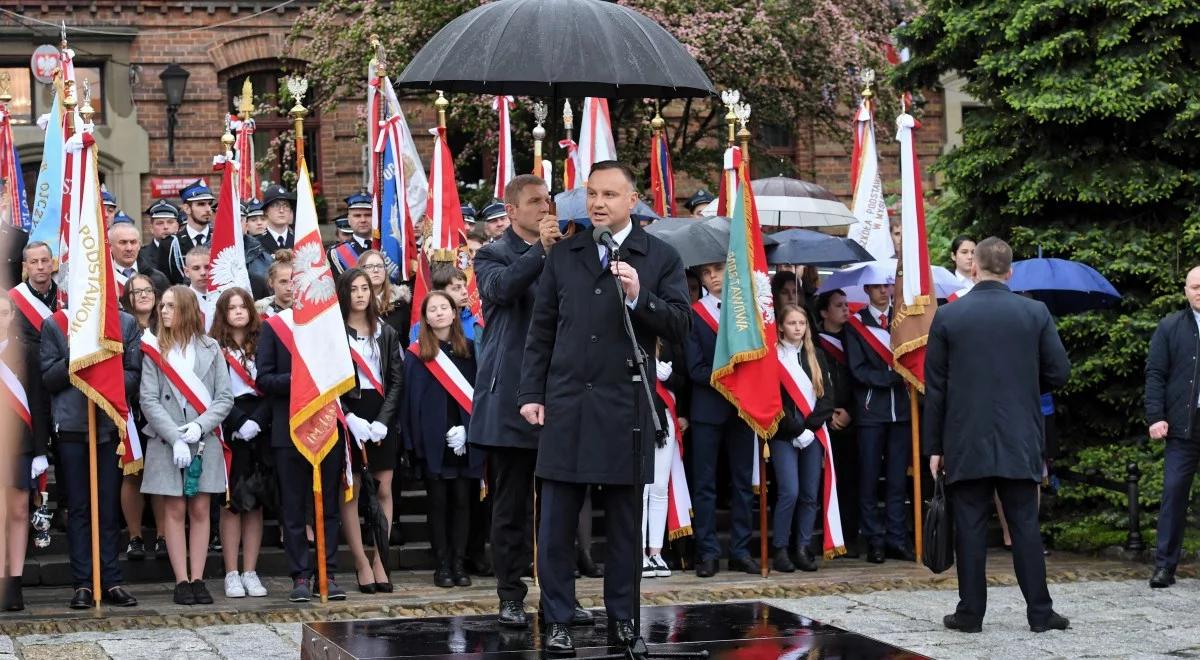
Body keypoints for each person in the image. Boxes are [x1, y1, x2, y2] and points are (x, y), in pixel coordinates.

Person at [519, 161, 690, 653]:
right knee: (555, 524)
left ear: (631, 200)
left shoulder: (658, 256)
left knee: (622, 527)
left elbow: (682, 325)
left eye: (610, 195)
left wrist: (641, 296)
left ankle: (624, 623)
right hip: (567, 404)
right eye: (592, 193)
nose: (598, 203)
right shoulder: (566, 253)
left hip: (624, 407)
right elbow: (542, 330)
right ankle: (556, 619)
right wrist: (531, 394)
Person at [925, 237, 1071, 634]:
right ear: (1010, 272)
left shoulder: (949, 316)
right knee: (1024, 525)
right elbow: (1060, 373)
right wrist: (1024, 379)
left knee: (969, 528)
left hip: (964, 437)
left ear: (974, 268)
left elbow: (934, 387)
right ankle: (1040, 613)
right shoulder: (1034, 312)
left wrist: (934, 447)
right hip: (1019, 434)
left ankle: (970, 614)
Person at [470, 174, 560, 627]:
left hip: (558, 392)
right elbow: (501, 290)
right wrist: (539, 252)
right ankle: (510, 594)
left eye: (548, 199)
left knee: (560, 505)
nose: (545, 207)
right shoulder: (491, 254)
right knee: (511, 508)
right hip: (509, 398)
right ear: (512, 210)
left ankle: (558, 597)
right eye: (534, 201)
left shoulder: (564, 250)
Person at [41, 300, 142, 609]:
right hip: (72, 427)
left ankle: (110, 579)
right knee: (80, 508)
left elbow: (133, 376)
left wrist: (104, 376)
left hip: (109, 428)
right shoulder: (55, 324)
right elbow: (49, 378)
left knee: (108, 509)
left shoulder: (123, 323)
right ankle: (83, 582)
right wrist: (79, 351)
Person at [139, 286, 234, 606]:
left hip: (203, 441)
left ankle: (198, 578)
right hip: (167, 442)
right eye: (161, 306)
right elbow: (148, 399)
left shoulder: (211, 348)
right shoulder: (154, 350)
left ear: (187, 310)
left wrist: (198, 427)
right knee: (175, 510)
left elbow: (225, 398)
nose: (162, 311)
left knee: (200, 508)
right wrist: (175, 435)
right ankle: (181, 580)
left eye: (169, 306)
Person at [257, 287, 347, 603]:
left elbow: (347, 375)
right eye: (285, 282)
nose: (291, 289)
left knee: (329, 506)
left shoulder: (329, 324)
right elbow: (264, 380)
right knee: (293, 507)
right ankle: (300, 575)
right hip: (289, 430)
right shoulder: (273, 326)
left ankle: (328, 572)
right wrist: (301, 380)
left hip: (326, 427)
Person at [403, 291, 484, 588]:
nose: (439, 313)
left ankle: (459, 563)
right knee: (438, 503)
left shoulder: (471, 350)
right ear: (425, 317)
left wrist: (470, 430)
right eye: (432, 309)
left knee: (463, 502)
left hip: (466, 440)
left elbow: (480, 395)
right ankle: (442, 564)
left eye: (444, 308)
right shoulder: (417, 354)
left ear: (454, 312)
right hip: (434, 441)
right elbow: (411, 403)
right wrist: (416, 443)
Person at [686, 259, 758, 577]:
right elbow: (695, 369)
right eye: (706, 272)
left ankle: (742, 550)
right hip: (708, 409)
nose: (713, 276)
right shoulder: (694, 313)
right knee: (705, 484)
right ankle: (708, 552)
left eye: (718, 269)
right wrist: (729, 374)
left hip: (742, 408)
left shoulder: (745, 313)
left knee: (742, 483)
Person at [337, 268, 404, 594]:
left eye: (365, 288)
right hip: (351, 414)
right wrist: (349, 417)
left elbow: (396, 380)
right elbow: (330, 383)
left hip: (381, 415)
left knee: (384, 488)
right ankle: (361, 562)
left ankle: (381, 559)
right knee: (352, 489)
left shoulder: (386, 332)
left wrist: (383, 420)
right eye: (355, 289)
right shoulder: (335, 333)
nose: (361, 294)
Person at [845, 279, 913, 563]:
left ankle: (897, 537)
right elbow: (858, 371)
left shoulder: (903, 320)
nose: (884, 291)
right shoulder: (856, 324)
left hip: (901, 412)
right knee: (870, 478)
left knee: (897, 480)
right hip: (872, 411)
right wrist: (892, 377)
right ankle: (874, 539)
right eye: (877, 287)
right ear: (866, 291)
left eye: (887, 286)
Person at [210, 287, 271, 598]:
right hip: (229, 424)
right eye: (231, 307)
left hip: (259, 423)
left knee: (255, 503)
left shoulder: (262, 344)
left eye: (242, 306)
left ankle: (251, 570)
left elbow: (270, 384)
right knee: (232, 503)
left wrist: (257, 421)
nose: (238, 312)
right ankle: (231, 572)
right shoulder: (213, 348)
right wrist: (236, 422)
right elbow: (212, 391)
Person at [1145, 265, 1200, 589]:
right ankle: (1165, 567)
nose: (1199, 292)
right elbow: (1155, 374)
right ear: (1185, 290)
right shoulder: (1169, 327)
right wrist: (1156, 416)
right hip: (1182, 427)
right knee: (1174, 494)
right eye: (1194, 286)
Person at [769, 305, 834, 573]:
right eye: (792, 323)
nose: (798, 328)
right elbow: (773, 402)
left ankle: (802, 547)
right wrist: (796, 430)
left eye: (802, 323)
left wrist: (810, 428)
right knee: (790, 491)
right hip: (784, 434)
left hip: (813, 434)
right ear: (781, 326)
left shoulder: (816, 355)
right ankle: (781, 548)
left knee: (809, 494)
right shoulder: (773, 357)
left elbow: (828, 397)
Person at [0, 291, 49, 611]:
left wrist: (40, 450)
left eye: (4, 312)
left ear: (12, 316)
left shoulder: (27, 353)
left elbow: (39, 403)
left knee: (18, 512)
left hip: (19, 447)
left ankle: (14, 581)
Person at [118, 275, 167, 562]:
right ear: (127, 297)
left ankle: (162, 536)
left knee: (160, 473)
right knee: (132, 472)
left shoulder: (166, 325)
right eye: (137, 291)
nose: (144, 295)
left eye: (148, 290)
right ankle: (135, 536)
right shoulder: (121, 326)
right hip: (130, 411)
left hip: (163, 411)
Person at [814, 289, 858, 556]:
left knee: (851, 481)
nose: (845, 309)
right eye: (838, 305)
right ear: (823, 312)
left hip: (852, 418)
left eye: (846, 305)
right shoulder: (816, 343)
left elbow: (858, 377)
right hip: (825, 419)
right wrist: (828, 412)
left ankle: (850, 537)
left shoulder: (856, 338)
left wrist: (851, 411)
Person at [642, 339, 687, 579]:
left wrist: (667, 377)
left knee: (659, 487)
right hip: (637, 416)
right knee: (641, 489)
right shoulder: (629, 336)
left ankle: (655, 552)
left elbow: (684, 381)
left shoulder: (669, 344)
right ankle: (638, 554)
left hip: (664, 422)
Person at [160, 180, 215, 285]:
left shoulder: (220, 238)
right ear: (187, 208)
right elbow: (165, 284)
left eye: (209, 204)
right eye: (201, 204)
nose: (208, 209)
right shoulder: (170, 244)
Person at [409, 266, 480, 343]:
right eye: (457, 288)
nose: (465, 292)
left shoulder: (476, 324)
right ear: (440, 292)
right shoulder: (421, 328)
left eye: (465, 286)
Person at [9, 241, 58, 346]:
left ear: (52, 263)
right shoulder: (11, 300)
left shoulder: (66, 296)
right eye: (34, 262)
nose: (40, 266)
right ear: (25, 266)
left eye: (44, 260)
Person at [358, 249, 411, 340]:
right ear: (360, 271)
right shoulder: (353, 305)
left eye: (380, 266)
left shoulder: (400, 304)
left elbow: (406, 341)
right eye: (370, 266)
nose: (376, 270)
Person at [110, 222, 170, 296]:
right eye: (123, 243)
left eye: (133, 242)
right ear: (110, 246)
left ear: (139, 245)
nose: (129, 248)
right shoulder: (100, 280)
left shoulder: (157, 278)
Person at [329, 193, 374, 277]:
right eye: (357, 216)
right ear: (349, 219)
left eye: (368, 215)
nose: (363, 220)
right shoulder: (337, 254)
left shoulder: (387, 247)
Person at [142, 199, 180, 273]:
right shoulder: (142, 255)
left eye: (170, 222)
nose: (165, 227)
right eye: (160, 223)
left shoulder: (186, 250)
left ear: (177, 226)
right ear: (151, 228)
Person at [257, 185, 296, 256]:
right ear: (266, 211)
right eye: (276, 205)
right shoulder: (256, 243)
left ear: (290, 211)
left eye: (286, 205)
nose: (281, 210)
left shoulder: (298, 238)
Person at [256, 250, 295, 318]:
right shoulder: (262, 315)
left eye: (293, 282)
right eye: (283, 282)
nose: (289, 288)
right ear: (271, 282)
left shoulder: (306, 312)